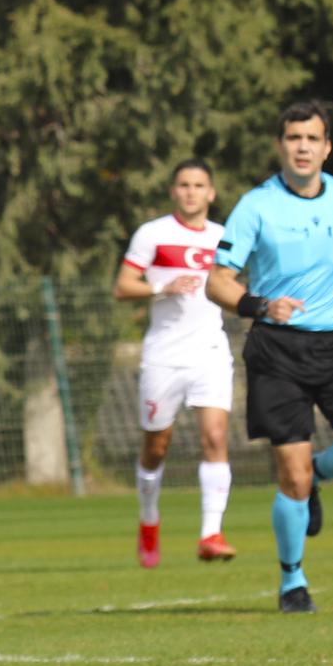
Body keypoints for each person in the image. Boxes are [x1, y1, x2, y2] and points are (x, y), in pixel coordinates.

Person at [207, 100, 333, 614]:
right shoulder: (257, 206)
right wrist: (261, 305)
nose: (302, 147)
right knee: (291, 476)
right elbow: (218, 280)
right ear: (280, 146)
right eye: (293, 138)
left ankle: (321, 476)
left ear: (327, 147)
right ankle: (292, 580)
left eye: (312, 138)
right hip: (278, 350)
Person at [113, 159, 236, 567]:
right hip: (164, 356)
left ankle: (210, 534)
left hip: (210, 353)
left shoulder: (224, 237)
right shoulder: (154, 233)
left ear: (211, 193)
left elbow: (235, 284)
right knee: (156, 447)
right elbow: (123, 286)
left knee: (216, 438)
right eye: (184, 184)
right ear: (174, 191)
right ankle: (149, 521)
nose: (191, 192)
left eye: (199, 185)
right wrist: (163, 286)